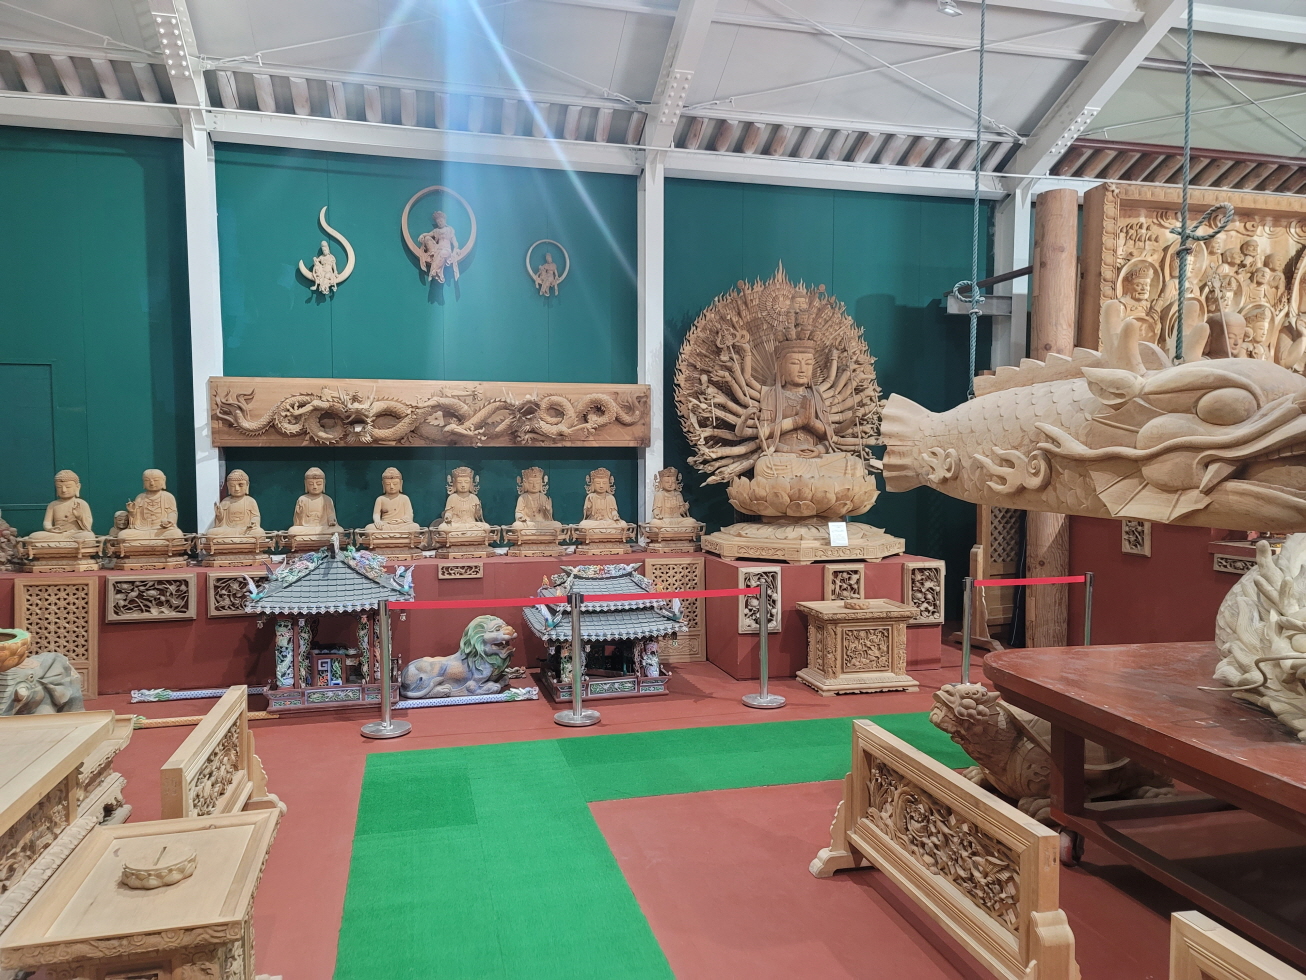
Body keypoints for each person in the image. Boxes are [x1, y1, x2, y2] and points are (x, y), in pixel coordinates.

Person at [29, 470, 94, 541]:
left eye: (68, 487)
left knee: (88, 536)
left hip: (75, 534)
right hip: (57, 534)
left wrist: (80, 517)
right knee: (34, 536)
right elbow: (47, 522)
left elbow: (88, 526)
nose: (63, 490)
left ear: (77, 487)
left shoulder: (81, 503)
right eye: (59, 487)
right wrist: (50, 528)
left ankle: (62, 542)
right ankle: (66, 543)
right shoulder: (53, 505)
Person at [120, 469, 182, 539]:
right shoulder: (140, 497)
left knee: (176, 534)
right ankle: (156, 542)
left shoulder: (168, 496)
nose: (152, 483)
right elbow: (135, 520)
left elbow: (172, 512)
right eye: (147, 480)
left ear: (163, 480)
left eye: (156, 480)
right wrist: (132, 511)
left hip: (161, 530)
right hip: (142, 530)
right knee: (122, 535)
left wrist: (169, 521)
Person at [418, 211, 461, 283]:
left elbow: (454, 241)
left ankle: (435, 272)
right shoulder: (436, 230)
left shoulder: (449, 229)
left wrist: (456, 249)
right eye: (438, 222)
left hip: (446, 249)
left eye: (441, 221)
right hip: (437, 248)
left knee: (443, 253)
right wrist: (422, 235)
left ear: (444, 220)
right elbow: (428, 234)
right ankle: (432, 253)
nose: (440, 223)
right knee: (427, 238)